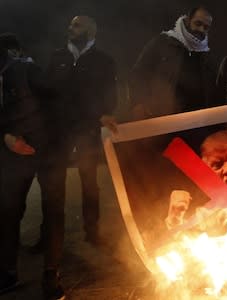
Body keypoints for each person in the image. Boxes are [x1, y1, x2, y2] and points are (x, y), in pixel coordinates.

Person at [31, 15, 118, 259]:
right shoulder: (58, 57)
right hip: (59, 132)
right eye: (70, 25)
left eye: (77, 25)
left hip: (87, 132)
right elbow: (49, 94)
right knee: (53, 185)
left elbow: (110, 97)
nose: (70, 28)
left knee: (90, 184)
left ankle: (93, 233)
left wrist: (102, 115)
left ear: (91, 31)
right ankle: (47, 236)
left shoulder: (103, 61)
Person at [0, 33, 65, 299]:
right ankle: (6, 272)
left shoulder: (27, 70)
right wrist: (6, 137)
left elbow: (60, 102)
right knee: (8, 212)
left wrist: (52, 141)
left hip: (48, 152)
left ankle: (51, 273)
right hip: (13, 153)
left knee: (52, 209)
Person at [130, 6, 217, 119]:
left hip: (196, 121)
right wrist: (138, 102)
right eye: (198, 23)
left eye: (206, 27)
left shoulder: (206, 54)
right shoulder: (162, 42)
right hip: (163, 117)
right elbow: (139, 73)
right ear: (187, 21)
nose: (201, 29)